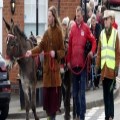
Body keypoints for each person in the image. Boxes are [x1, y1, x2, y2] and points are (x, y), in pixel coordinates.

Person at [26, 6, 65, 120]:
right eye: (47, 16)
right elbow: (40, 47)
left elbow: (63, 51)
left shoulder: (58, 32)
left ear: (53, 17)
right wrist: (30, 52)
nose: (47, 18)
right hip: (47, 75)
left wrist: (56, 54)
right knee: (48, 107)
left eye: (49, 16)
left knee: (53, 108)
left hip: (55, 76)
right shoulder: (47, 32)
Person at [67, 6, 96, 120]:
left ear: (82, 16)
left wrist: (91, 52)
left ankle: (82, 116)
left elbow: (93, 41)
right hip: (74, 66)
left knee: (82, 93)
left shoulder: (86, 28)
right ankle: (78, 114)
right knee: (75, 93)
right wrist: (68, 61)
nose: (77, 18)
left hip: (83, 65)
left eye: (79, 16)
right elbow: (69, 47)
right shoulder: (73, 29)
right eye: (76, 16)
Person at [96, 10, 119, 120]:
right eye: (104, 19)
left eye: (107, 19)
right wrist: (97, 66)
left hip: (111, 70)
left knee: (110, 94)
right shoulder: (101, 34)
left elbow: (118, 52)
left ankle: (111, 115)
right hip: (104, 70)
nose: (105, 21)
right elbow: (99, 52)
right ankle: (107, 116)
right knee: (105, 95)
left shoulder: (115, 34)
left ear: (111, 20)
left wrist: (117, 67)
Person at [61, 16, 71, 120]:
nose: (64, 27)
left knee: (67, 91)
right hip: (61, 67)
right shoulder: (61, 37)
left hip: (68, 68)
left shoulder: (68, 37)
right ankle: (65, 109)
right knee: (63, 90)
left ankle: (67, 112)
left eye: (65, 25)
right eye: (63, 24)